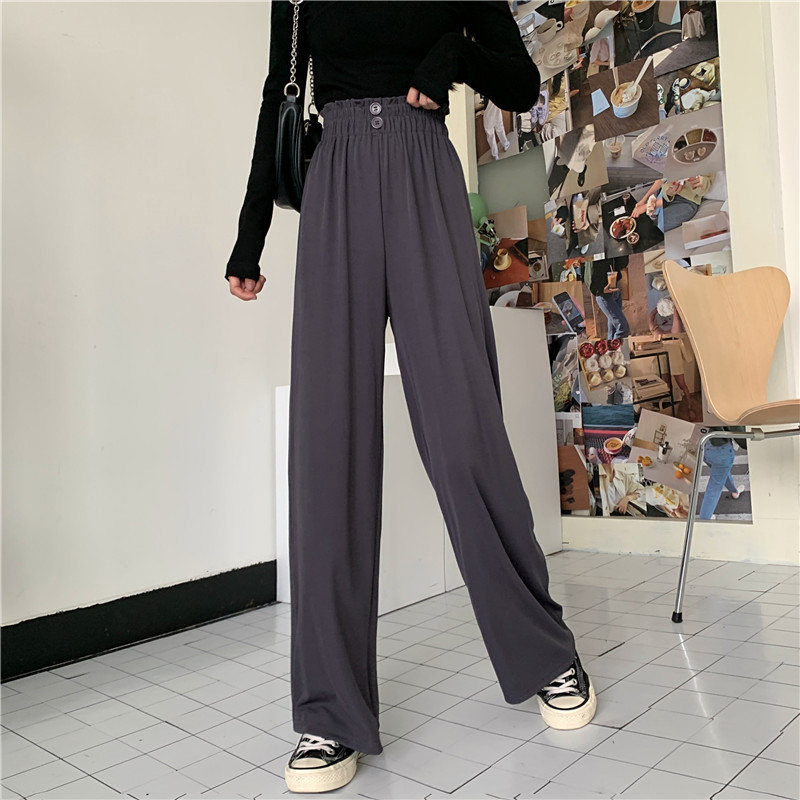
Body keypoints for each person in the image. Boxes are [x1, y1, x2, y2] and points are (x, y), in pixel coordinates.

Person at [224, 1, 597, 793]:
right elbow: (277, 95)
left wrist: (453, 57)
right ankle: (329, 712)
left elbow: (520, 83)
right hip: (335, 179)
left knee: (465, 434)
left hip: (426, 171)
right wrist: (251, 234)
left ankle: (543, 653)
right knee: (327, 448)